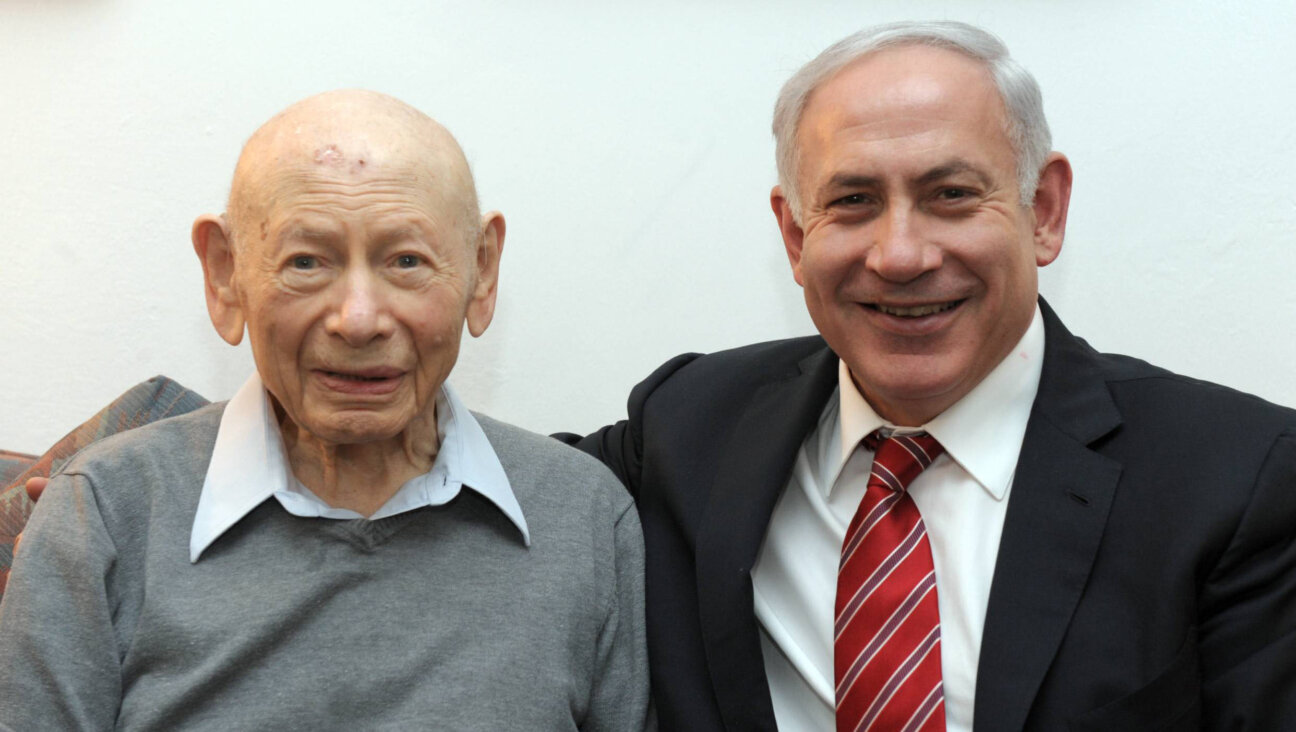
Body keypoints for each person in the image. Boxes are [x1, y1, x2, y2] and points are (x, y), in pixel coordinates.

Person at [563, 21, 1296, 731]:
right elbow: (489, 485)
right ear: (794, 235)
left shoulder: (1238, 479)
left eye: (950, 194)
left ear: (1042, 210)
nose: (901, 255)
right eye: (854, 201)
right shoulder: (691, 424)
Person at [0, 90, 651, 731]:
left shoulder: (586, 519)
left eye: (407, 261)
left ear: (481, 273)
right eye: (307, 261)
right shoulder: (106, 516)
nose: (359, 320)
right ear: (226, 276)